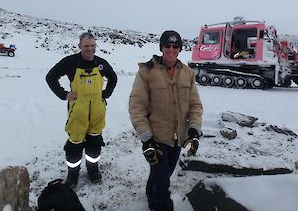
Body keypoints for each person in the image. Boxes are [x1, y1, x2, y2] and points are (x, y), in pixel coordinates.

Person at [129, 30, 203, 211]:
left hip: (178, 138)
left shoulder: (188, 73)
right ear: (161, 48)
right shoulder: (147, 72)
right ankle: (160, 204)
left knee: (163, 173)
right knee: (162, 183)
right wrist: (147, 140)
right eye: (167, 46)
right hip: (156, 139)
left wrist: (194, 130)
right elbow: (136, 106)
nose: (171, 49)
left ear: (179, 49)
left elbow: (195, 105)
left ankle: (151, 191)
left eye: (175, 46)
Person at [46, 31, 117, 188]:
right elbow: (51, 77)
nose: (90, 49)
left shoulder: (101, 63)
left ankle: (93, 170)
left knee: (95, 144)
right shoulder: (70, 62)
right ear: (80, 46)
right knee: (74, 145)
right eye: (86, 46)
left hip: (98, 112)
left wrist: (106, 93)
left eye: (92, 45)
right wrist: (64, 94)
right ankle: (72, 175)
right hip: (77, 113)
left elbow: (113, 77)